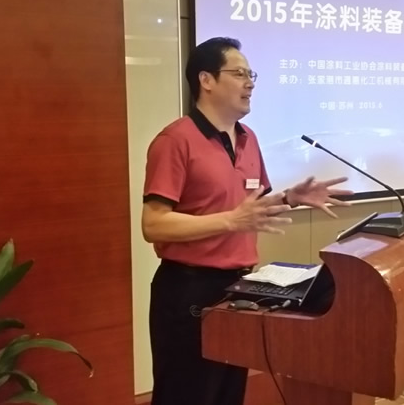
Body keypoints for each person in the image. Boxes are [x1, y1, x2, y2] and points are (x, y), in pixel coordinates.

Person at [141, 36, 352, 405]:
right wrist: (230, 221)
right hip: (188, 291)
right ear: (206, 80)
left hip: (239, 289)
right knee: (187, 396)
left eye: (251, 75)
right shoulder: (175, 140)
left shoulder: (248, 138)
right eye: (239, 74)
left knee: (227, 395)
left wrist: (289, 198)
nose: (250, 83)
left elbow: (250, 207)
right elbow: (153, 225)